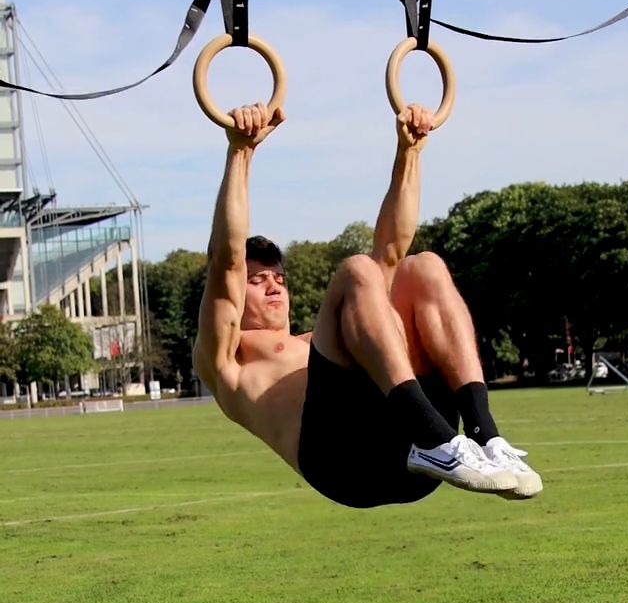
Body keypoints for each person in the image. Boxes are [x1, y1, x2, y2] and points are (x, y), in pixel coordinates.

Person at [192, 101, 542, 509]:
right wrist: (240, 152)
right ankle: (435, 437)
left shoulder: (332, 340)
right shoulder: (228, 360)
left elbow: (391, 251)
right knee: (357, 269)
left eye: (279, 279)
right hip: (345, 464)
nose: (274, 287)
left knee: (422, 267)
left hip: (414, 454)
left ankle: (485, 437)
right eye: (258, 280)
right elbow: (226, 259)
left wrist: (409, 152)